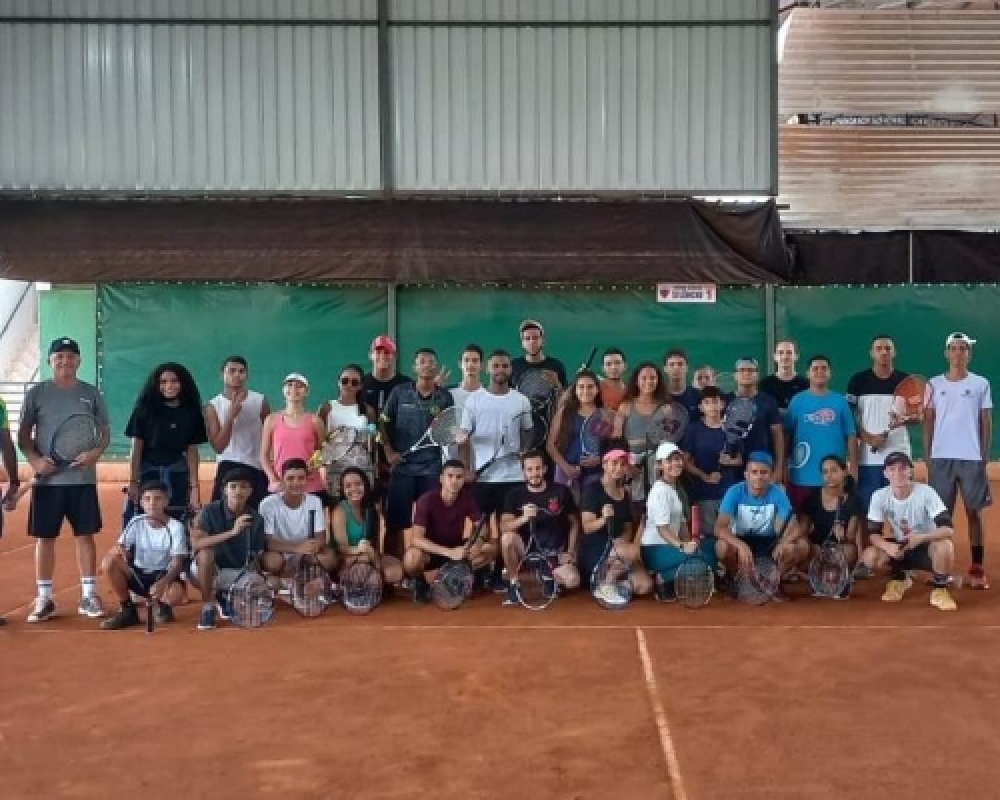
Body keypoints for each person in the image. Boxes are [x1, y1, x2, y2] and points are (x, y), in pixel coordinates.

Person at [19, 337, 110, 622]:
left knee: (85, 536)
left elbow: (104, 432)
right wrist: (35, 461)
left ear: (79, 361)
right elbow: (23, 436)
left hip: (82, 480)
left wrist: (95, 454)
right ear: (49, 361)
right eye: (59, 356)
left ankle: (88, 595)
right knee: (45, 538)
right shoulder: (37, 393)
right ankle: (44, 599)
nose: (65, 361)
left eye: (71, 356)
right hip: (48, 484)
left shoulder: (91, 394)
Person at [459, 349, 533, 591]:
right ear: (487, 369)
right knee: (480, 529)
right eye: (496, 366)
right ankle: (479, 573)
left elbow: (528, 431)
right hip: (482, 478)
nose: (500, 370)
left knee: (506, 528)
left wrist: (525, 449)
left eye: (504, 366)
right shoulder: (474, 400)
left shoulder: (521, 400)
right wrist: (466, 471)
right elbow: (464, 439)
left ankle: (500, 574)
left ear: (510, 369)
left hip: (513, 477)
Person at [923, 332, 993, 590]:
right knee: (941, 516)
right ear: (946, 353)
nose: (958, 353)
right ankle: (940, 570)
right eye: (953, 348)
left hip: (972, 458)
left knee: (974, 513)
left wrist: (983, 455)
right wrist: (928, 455)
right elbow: (927, 421)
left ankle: (977, 567)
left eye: (963, 348)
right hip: (941, 459)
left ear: (968, 354)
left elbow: (986, 421)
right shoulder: (932, 385)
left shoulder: (981, 384)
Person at [380, 348, 455, 558]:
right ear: (414, 367)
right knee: (395, 525)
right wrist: (388, 451)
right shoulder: (399, 392)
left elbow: (448, 431)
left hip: (431, 470)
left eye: (431, 361)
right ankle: (392, 569)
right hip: (402, 469)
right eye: (422, 361)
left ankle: (423, 571)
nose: (427, 365)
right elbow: (383, 423)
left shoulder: (444, 397)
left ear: (436, 367)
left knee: (429, 524)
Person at [860, 451, 957, 611]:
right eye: (892, 469)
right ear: (885, 473)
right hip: (901, 547)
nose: (897, 473)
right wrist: (887, 546)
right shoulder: (879, 496)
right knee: (870, 556)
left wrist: (921, 538)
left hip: (926, 546)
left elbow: (948, 529)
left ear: (910, 471)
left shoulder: (926, 492)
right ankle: (900, 578)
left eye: (902, 468)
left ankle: (940, 589)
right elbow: (873, 534)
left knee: (945, 546)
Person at [123, 362, 208, 525]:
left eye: (174, 381)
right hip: (147, 472)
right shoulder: (144, 408)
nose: (169, 386)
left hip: (177, 472)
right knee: (141, 519)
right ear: (156, 384)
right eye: (163, 381)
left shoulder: (192, 412)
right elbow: (136, 447)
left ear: (183, 383)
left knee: (177, 518)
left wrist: (195, 488)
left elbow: (192, 450)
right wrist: (133, 482)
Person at [99, 480, 187, 630]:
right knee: (109, 562)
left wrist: (163, 583)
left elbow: (178, 563)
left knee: (176, 594)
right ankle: (128, 610)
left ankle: (163, 606)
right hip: (138, 575)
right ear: (141, 502)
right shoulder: (135, 522)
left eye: (158, 499)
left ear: (166, 501)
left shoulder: (176, 527)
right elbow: (119, 547)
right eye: (147, 499)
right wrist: (119, 550)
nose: (152, 503)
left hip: (163, 576)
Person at [404, 460, 495, 603]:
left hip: (457, 550)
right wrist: (449, 552)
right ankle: (420, 583)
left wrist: (477, 543)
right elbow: (417, 539)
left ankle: (473, 575)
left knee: (490, 548)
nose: (454, 481)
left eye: (459, 477)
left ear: (464, 480)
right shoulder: (426, 500)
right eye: (450, 476)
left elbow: (481, 527)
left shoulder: (467, 498)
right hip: (432, 552)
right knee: (411, 558)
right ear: (441, 478)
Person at [714, 451, 801, 600]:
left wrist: (783, 542)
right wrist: (741, 545)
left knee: (795, 548)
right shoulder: (734, 492)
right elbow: (719, 528)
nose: (759, 477)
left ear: (771, 475)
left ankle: (773, 582)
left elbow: (795, 528)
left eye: (764, 472)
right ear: (746, 474)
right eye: (754, 472)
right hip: (741, 539)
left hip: (769, 541)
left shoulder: (778, 493)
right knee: (721, 547)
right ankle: (736, 579)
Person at [189, 468, 267, 630]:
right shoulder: (209, 511)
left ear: (250, 491)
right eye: (233, 486)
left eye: (244, 487)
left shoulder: (257, 519)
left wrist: (258, 583)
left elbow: (255, 556)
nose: (238, 491)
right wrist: (233, 532)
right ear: (225, 490)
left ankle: (225, 596)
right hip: (208, 572)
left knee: (261, 586)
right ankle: (207, 607)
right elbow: (197, 544)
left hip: (236, 573)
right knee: (205, 555)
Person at [500, 451, 581, 605]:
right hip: (526, 551)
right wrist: (524, 518)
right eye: (529, 470)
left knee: (572, 580)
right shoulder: (514, 495)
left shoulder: (561, 491)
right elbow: (504, 526)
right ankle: (514, 584)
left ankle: (548, 577)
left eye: (538, 468)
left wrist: (570, 552)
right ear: (523, 471)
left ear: (544, 469)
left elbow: (574, 523)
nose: (534, 473)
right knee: (507, 538)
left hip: (554, 553)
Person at [640, 442, 715, 601]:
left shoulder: (675, 489)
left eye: (678, 459)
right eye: (669, 460)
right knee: (704, 562)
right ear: (660, 465)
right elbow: (662, 530)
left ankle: (668, 577)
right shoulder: (660, 491)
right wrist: (683, 546)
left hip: (670, 547)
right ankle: (665, 579)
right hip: (654, 549)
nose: (676, 463)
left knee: (710, 548)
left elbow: (681, 526)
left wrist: (690, 544)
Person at [846, 335, 913, 511]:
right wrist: (867, 437)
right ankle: (869, 540)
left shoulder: (906, 382)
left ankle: (902, 539)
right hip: (867, 458)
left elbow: (918, 416)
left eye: (888, 348)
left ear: (894, 352)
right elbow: (848, 417)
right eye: (879, 348)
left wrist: (905, 420)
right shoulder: (857, 381)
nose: (884, 352)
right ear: (872, 353)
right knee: (866, 510)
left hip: (899, 455)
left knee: (901, 509)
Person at [784, 355, 858, 510]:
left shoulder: (840, 401)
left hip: (834, 478)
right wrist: (783, 467)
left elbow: (851, 436)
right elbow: (786, 436)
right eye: (815, 368)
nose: (819, 372)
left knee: (834, 527)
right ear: (808, 373)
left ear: (830, 373)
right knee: (800, 524)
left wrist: (854, 469)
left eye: (824, 368)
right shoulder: (797, 401)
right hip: (801, 476)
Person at [578, 448, 652, 601]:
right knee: (632, 553)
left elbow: (627, 527)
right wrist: (604, 519)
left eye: (622, 464)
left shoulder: (625, 493)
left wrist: (620, 542)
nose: (619, 468)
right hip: (595, 549)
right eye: (614, 463)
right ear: (604, 465)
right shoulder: (592, 490)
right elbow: (587, 527)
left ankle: (607, 585)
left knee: (645, 585)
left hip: (619, 549)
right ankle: (606, 581)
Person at [205, 355, 271, 510]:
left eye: (241, 371)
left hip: (256, 467)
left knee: (257, 517)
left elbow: (270, 438)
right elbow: (219, 447)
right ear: (222, 374)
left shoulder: (260, 401)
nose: (236, 375)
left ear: (246, 375)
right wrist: (230, 417)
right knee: (224, 518)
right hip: (228, 467)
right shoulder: (212, 406)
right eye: (231, 371)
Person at [793, 455, 864, 595]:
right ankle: (818, 577)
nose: (829, 475)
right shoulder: (812, 496)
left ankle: (841, 580)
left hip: (838, 549)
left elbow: (850, 537)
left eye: (834, 470)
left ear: (844, 471)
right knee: (802, 547)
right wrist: (807, 545)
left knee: (849, 551)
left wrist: (842, 537)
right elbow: (802, 528)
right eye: (825, 472)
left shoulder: (854, 500)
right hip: (817, 548)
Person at [258, 459, 335, 586]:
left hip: (305, 554)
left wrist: (313, 547)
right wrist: (297, 547)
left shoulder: (315, 501)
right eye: (290, 478)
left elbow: (321, 537)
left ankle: (298, 577)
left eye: (301, 478)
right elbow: (267, 543)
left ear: (307, 479)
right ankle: (289, 578)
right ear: (282, 479)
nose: (296, 483)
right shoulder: (268, 504)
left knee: (330, 558)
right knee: (272, 562)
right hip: (279, 553)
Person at [331, 467, 402, 586]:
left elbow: (375, 542)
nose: (354, 489)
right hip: (347, 556)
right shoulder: (340, 511)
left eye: (358, 484)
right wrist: (360, 550)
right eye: (348, 486)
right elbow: (342, 548)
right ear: (343, 490)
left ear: (365, 485)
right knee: (365, 560)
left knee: (396, 571)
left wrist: (373, 556)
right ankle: (362, 583)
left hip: (369, 554)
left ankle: (373, 581)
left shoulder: (371, 508)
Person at [616, 361, 669, 521]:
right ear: (636, 380)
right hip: (632, 467)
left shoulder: (666, 408)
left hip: (658, 466)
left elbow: (669, 441)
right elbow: (616, 441)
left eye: (652, 377)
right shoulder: (625, 407)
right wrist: (626, 465)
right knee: (634, 512)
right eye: (644, 378)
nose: (648, 381)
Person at [682, 386, 739, 536]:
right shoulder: (693, 430)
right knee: (706, 534)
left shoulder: (732, 428)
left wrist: (729, 461)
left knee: (728, 534)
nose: (712, 406)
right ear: (701, 407)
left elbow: (739, 460)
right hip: (703, 493)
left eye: (715, 402)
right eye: (707, 402)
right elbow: (685, 462)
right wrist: (704, 476)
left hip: (728, 491)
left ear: (722, 405)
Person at [260, 373, 326, 498]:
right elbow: (263, 456)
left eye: (299, 386)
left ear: (306, 391)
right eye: (289, 385)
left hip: (310, 487)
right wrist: (273, 479)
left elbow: (322, 452)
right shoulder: (271, 420)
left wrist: (310, 469)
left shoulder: (315, 421)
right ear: (283, 390)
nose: (294, 389)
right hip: (280, 487)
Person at [317, 363, 376, 499]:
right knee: (337, 506)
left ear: (360, 386)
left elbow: (373, 439)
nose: (349, 385)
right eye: (345, 381)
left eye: (354, 382)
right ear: (338, 382)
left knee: (360, 505)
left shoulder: (368, 411)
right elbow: (318, 441)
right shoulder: (327, 407)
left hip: (360, 467)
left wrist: (369, 439)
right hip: (335, 467)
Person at [362, 335, 411, 491]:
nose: (382, 356)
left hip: (400, 454)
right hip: (367, 453)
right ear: (371, 355)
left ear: (394, 356)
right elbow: (366, 421)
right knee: (369, 505)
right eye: (378, 352)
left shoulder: (407, 384)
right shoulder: (360, 383)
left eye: (387, 352)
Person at [547, 370, 607, 496]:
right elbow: (550, 446)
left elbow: (610, 446)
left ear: (597, 390)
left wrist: (599, 459)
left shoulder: (604, 415)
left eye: (590, 387)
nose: (586, 391)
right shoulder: (564, 412)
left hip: (594, 473)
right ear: (575, 390)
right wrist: (566, 468)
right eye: (581, 387)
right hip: (565, 473)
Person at [728, 357, 785, 476]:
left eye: (751, 370)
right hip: (731, 468)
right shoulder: (725, 401)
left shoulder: (768, 401)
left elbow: (778, 435)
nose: (746, 373)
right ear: (735, 375)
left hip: (762, 467)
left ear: (757, 375)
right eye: (742, 370)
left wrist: (779, 468)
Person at [445, 344, 484, 462]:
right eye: (466, 360)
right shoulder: (448, 394)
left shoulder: (489, 395)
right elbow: (442, 425)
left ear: (481, 365)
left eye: (475, 361)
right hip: (452, 463)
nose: (470, 365)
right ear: (460, 364)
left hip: (481, 462)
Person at [510, 319, 568, 389]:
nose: (532, 342)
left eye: (535, 338)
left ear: (542, 341)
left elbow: (566, 398)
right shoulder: (513, 366)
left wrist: (557, 384)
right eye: (527, 338)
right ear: (522, 343)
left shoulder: (556, 366)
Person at [760, 340, 809, 415]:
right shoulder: (764, 384)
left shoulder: (807, 385)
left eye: (789, 353)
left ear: (796, 356)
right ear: (775, 357)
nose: (785, 356)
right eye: (780, 353)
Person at [663, 349, 702, 419]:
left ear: (687, 368)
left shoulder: (698, 395)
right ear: (665, 369)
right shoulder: (657, 396)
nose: (676, 368)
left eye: (680, 364)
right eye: (671, 365)